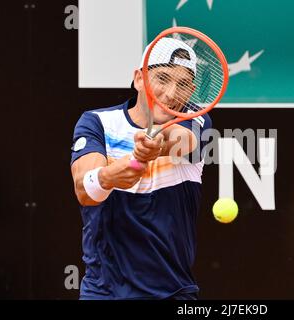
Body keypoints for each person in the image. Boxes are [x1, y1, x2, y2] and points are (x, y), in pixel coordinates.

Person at [70, 38, 212, 300]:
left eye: (182, 85)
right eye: (162, 78)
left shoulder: (197, 121)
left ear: (191, 91)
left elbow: (180, 141)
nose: (170, 94)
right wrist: (111, 176)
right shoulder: (97, 122)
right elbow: (85, 191)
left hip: (173, 293)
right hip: (103, 292)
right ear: (138, 78)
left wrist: (155, 146)